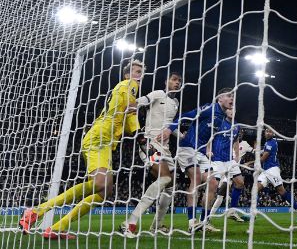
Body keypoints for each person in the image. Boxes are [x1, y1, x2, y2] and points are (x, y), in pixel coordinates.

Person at [20, 60, 145, 240]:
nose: (139, 75)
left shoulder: (122, 89)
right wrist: (140, 134)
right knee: (101, 185)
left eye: (141, 72)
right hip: (99, 138)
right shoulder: (129, 85)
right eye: (136, 71)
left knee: (104, 191)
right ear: (127, 74)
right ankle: (35, 212)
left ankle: (56, 228)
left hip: (103, 140)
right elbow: (130, 112)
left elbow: (124, 116)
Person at [158, 87, 235, 232]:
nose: (232, 99)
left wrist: (207, 149)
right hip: (187, 148)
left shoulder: (222, 118)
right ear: (219, 98)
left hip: (200, 152)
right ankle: (192, 222)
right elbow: (186, 115)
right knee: (197, 178)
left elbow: (207, 135)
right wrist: (169, 129)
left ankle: (204, 222)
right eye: (229, 96)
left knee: (213, 182)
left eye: (233, 97)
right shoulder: (210, 108)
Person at [120, 72, 183, 237]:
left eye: (179, 81)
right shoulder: (158, 94)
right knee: (165, 178)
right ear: (166, 81)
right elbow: (142, 101)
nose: (177, 83)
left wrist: (183, 136)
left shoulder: (175, 102)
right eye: (174, 80)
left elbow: (170, 125)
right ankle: (130, 222)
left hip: (166, 149)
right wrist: (132, 105)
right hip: (150, 145)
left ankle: (157, 225)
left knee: (170, 187)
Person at [206, 107, 247, 222]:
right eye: (229, 109)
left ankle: (232, 211)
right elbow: (209, 136)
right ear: (226, 111)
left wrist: (237, 155)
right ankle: (205, 218)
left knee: (240, 183)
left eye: (234, 110)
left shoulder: (237, 126)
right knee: (214, 189)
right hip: (218, 159)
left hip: (229, 160)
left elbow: (235, 141)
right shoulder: (219, 122)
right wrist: (208, 149)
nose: (232, 111)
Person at [255, 127, 297, 222]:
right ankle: (253, 214)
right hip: (265, 171)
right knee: (254, 189)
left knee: (282, 192)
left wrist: (250, 163)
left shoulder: (271, 143)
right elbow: (263, 152)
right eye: (266, 131)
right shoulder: (267, 143)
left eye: (270, 131)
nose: (267, 133)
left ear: (273, 134)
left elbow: (263, 158)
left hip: (273, 170)